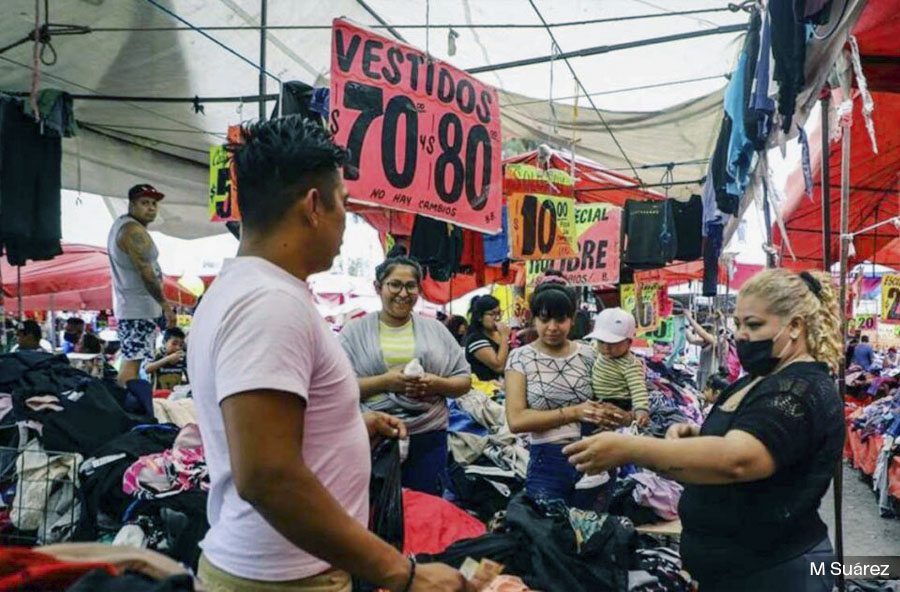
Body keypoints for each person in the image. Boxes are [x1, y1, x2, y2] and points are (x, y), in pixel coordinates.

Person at [188, 116, 471, 592]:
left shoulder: (251, 291)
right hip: (284, 579)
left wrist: (348, 428)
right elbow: (267, 476)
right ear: (314, 206)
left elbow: (272, 439)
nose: (346, 219)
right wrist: (402, 573)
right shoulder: (269, 304)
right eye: (344, 203)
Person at [564, 269, 844, 591]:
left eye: (754, 325)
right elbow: (751, 440)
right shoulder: (759, 381)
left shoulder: (800, 389)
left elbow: (738, 460)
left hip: (779, 572)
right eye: (738, 324)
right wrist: (699, 437)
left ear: (795, 326)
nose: (741, 335)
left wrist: (629, 449)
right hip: (736, 570)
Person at [340, 256, 472, 496]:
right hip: (373, 436)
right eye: (395, 285)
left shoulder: (436, 330)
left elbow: (463, 380)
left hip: (428, 436)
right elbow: (337, 390)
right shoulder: (353, 333)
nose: (403, 293)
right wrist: (385, 382)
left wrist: (436, 384)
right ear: (378, 287)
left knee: (425, 507)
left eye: (411, 286)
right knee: (374, 507)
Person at [505, 279, 630, 506]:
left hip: (596, 456)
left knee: (593, 525)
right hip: (548, 462)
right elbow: (516, 420)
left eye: (560, 319)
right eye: (544, 319)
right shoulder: (520, 358)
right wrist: (575, 412)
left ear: (572, 319)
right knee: (547, 525)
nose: (552, 327)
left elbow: (620, 402)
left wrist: (620, 415)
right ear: (534, 319)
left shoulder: (591, 354)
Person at [107, 183, 176, 387]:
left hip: (134, 307)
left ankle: (128, 401)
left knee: (133, 361)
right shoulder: (132, 230)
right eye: (144, 203)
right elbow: (147, 273)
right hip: (136, 308)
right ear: (131, 205)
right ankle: (127, 403)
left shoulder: (125, 226)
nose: (151, 208)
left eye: (154, 203)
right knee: (132, 363)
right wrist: (165, 305)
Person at [585, 308, 650, 427]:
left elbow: (638, 388)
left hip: (619, 403)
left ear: (629, 342)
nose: (606, 347)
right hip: (597, 400)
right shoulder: (598, 352)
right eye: (601, 342)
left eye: (613, 343)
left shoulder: (630, 364)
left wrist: (641, 409)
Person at [463, 295, 510, 382]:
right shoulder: (476, 339)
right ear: (480, 317)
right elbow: (499, 366)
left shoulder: (498, 334)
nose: (497, 318)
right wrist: (504, 337)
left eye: (499, 313)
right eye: (492, 314)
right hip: (486, 387)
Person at [684, 311, 717, 391]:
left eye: (708, 328)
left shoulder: (717, 341)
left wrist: (690, 318)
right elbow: (691, 339)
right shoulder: (705, 341)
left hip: (711, 374)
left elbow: (702, 333)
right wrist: (684, 325)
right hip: (702, 372)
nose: (705, 330)